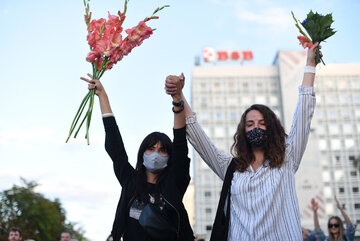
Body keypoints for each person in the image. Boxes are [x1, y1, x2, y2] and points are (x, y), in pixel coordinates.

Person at [165, 43, 321, 240]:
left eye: (262, 123)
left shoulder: (288, 158)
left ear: (271, 128)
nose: (256, 127)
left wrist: (310, 65)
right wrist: (179, 96)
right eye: (250, 124)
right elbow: (198, 137)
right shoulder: (231, 168)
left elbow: (303, 113)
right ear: (243, 131)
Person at [80, 74, 194, 241]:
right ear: (142, 155)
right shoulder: (130, 180)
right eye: (150, 148)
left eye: (162, 150)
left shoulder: (174, 183)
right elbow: (115, 146)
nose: (156, 154)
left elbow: (180, 144)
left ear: (169, 157)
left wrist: (177, 100)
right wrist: (102, 95)